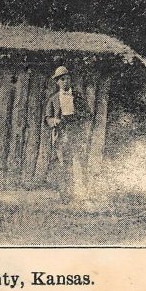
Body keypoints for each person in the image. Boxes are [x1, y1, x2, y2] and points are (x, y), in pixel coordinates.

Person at [43, 66, 92, 204]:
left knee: (79, 163)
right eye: (62, 79)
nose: (65, 82)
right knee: (64, 164)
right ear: (57, 82)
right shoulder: (53, 99)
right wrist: (54, 121)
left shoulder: (77, 97)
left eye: (67, 79)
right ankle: (65, 195)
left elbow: (88, 114)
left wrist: (76, 118)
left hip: (76, 134)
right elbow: (47, 118)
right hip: (62, 135)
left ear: (71, 80)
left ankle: (83, 194)